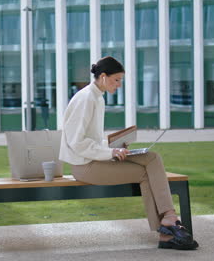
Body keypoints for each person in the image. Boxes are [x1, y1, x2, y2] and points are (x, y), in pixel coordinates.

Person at [59, 56, 198, 250]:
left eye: (120, 80)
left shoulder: (97, 98)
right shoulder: (86, 99)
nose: (119, 85)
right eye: (116, 80)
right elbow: (76, 143)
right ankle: (167, 230)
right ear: (103, 76)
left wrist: (116, 147)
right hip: (84, 166)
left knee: (152, 157)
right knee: (146, 174)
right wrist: (111, 152)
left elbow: (91, 139)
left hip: (94, 159)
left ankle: (169, 217)